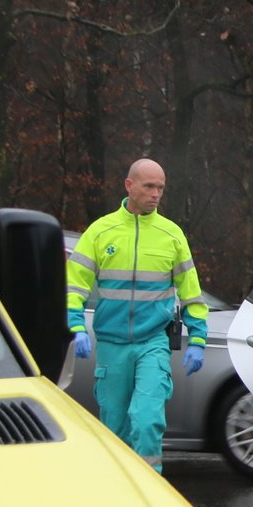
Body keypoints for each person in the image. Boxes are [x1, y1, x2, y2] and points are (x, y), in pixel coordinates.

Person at [66, 158, 207, 472]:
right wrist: (75, 326)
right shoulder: (101, 232)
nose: (156, 194)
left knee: (146, 421)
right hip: (112, 345)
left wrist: (198, 338)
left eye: (160, 188)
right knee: (114, 428)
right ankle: (118, 495)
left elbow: (191, 292)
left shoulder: (171, 235)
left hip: (152, 342)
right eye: (149, 186)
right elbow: (74, 284)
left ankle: (150, 486)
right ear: (129, 186)